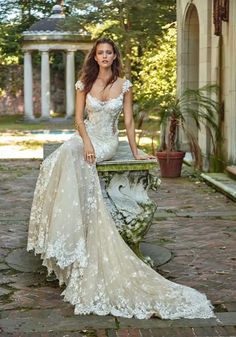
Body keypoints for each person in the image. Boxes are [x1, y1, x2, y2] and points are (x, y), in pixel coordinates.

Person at [27, 37, 215, 320]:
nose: (104, 56)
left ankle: (75, 235)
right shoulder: (85, 83)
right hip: (87, 138)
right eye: (100, 52)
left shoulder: (124, 85)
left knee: (70, 157)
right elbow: (78, 120)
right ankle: (70, 233)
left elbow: (127, 121)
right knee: (63, 156)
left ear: (115, 56)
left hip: (107, 142)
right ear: (95, 56)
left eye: (109, 52)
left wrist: (136, 151)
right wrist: (86, 142)